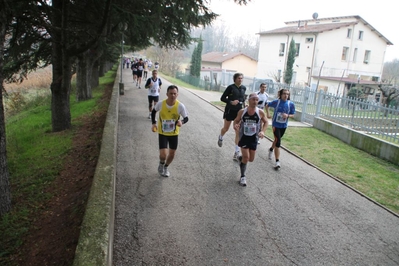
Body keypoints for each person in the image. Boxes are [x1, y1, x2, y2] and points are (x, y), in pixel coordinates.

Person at [151, 85, 189, 177]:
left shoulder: (180, 106)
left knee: (172, 154)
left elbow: (186, 118)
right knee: (163, 154)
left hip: (174, 133)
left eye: (175, 94)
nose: (173, 95)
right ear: (167, 94)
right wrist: (154, 123)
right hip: (163, 132)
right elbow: (153, 111)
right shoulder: (161, 104)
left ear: (177, 94)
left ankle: (166, 167)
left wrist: (182, 122)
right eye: (171, 93)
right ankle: (161, 163)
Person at [233, 92, 269, 186]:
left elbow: (266, 122)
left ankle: (240, 158)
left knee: (251, 159)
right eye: (253, 99)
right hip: (244, 137)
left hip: (254, 138)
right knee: (246, 157)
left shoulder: (260, 112)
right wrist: (236, 126)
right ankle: (242, 177)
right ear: (249, 100)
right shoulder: (242, 111)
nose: (255, 101)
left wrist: (263, 131)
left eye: (257, 100)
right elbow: (236, 120)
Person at [218, 72, 247, 161]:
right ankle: (221, 136)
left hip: (239, 112)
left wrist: (245, 106)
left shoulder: (243, 88)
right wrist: (231, 102)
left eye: (242, 78)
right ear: (235, 79)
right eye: (239, 78)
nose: (240, 80)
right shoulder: (230, 87)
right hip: (230, 110)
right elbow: (222, 98)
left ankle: (236, 152)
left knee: (237, 131)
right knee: (226, 128)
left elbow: (243, 99)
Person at [266, 88, 295, 169]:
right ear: (280, 94)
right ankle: (277, 162)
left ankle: (271, 149)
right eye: (284, 94)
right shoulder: (277, 102)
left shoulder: (291, 104)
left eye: (287, 94)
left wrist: (287, 115)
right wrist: (268, 114)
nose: (286, 95)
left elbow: (293, 114)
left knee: (276, 140)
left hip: (283, 126)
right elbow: (267, 105)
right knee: (278, 142)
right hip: (275, 125)